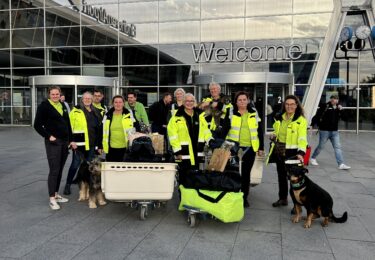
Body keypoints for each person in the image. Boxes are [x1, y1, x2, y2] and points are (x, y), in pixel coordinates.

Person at [34, 86, 76, 210]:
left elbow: (68, 124)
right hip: (53, 142)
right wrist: (48, 136)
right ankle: (52, 198)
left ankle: (56, 194)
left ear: (60, 94)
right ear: (49, 95)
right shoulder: (44, 106)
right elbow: (37, 125)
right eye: (53, 94)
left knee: (60, 169)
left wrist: (70, 140)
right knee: (54, 170)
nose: (55, 96)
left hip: (64, 142)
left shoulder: (63, 105)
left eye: (57, 94)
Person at [223, 91, 264, 208]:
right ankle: (232, 194)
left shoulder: (254, 112)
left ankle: (244, 197)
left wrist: (261, 147)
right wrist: (222, 146)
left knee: (246, 174)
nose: (242, 102)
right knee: (232, 172)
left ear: (248, 100)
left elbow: (259, 131)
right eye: (239, 100)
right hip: (233, 148)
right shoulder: (230, 112)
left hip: (250, 148)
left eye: (244, 99)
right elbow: (225, 129)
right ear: (236, 102)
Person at [267, 95, 308, 208]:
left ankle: (296, 205)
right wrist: (274, 135)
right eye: (287, 104)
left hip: (293, 153)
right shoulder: (279, 117)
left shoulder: (300, 120)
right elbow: (277, 132)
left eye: (292, 104)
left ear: (296, 106)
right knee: (281, 176)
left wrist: (301, 153)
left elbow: (302, 138)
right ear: (284, 105)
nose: (289, 106)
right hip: (280, 150)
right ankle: (283, 198)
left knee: (294, 179)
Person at [167, 93, 213, 185]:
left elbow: (205, 131)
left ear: (194, 102)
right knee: (184, 179)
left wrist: (210, 140)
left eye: (191, 101)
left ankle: (192, 198)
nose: (189, 103)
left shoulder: (199, 115)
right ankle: (183, 198)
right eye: (187, 101)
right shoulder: (176, 117)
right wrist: (177, 151)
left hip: (198, 153)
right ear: (183, 102)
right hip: (183, 154)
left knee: (196, 179)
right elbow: (172, 135)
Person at [63, 92, 103, 195]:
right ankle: (68, 184)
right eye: (85, 98)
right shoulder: (75, 111)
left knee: (89, 166)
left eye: (89, 98)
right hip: (79, 144)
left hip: (92, 143)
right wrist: (71, 141)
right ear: (82, 99)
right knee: (75, 165)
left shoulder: (96, 111)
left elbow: (99, 129)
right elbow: (68, 127)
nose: (87, 100)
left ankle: (88, 186)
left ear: (92, 99)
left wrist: (99, 145)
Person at [310, 95, 351, 170]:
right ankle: (313, 158)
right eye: (332, 98)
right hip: (324, 131)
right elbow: (317, 116)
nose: (333, 100)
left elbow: (345, 118)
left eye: (335, 99)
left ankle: (341, 164)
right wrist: (312, 125)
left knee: (337, 147)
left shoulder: (338, 108)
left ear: (337, 100)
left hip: (334, 132)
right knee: (321, 146)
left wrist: (341, 110)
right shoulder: (325, 106)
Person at [102, 95, 134, 162]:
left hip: (126, 148)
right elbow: (101, 131)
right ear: (113, 103)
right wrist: (100, 146)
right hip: (110, 148)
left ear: (123, 103)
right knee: (112, 170)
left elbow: (136, 128)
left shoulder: (129, 115)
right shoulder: (108, 115)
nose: (118, 104)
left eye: (120, 102)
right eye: (116, 102)